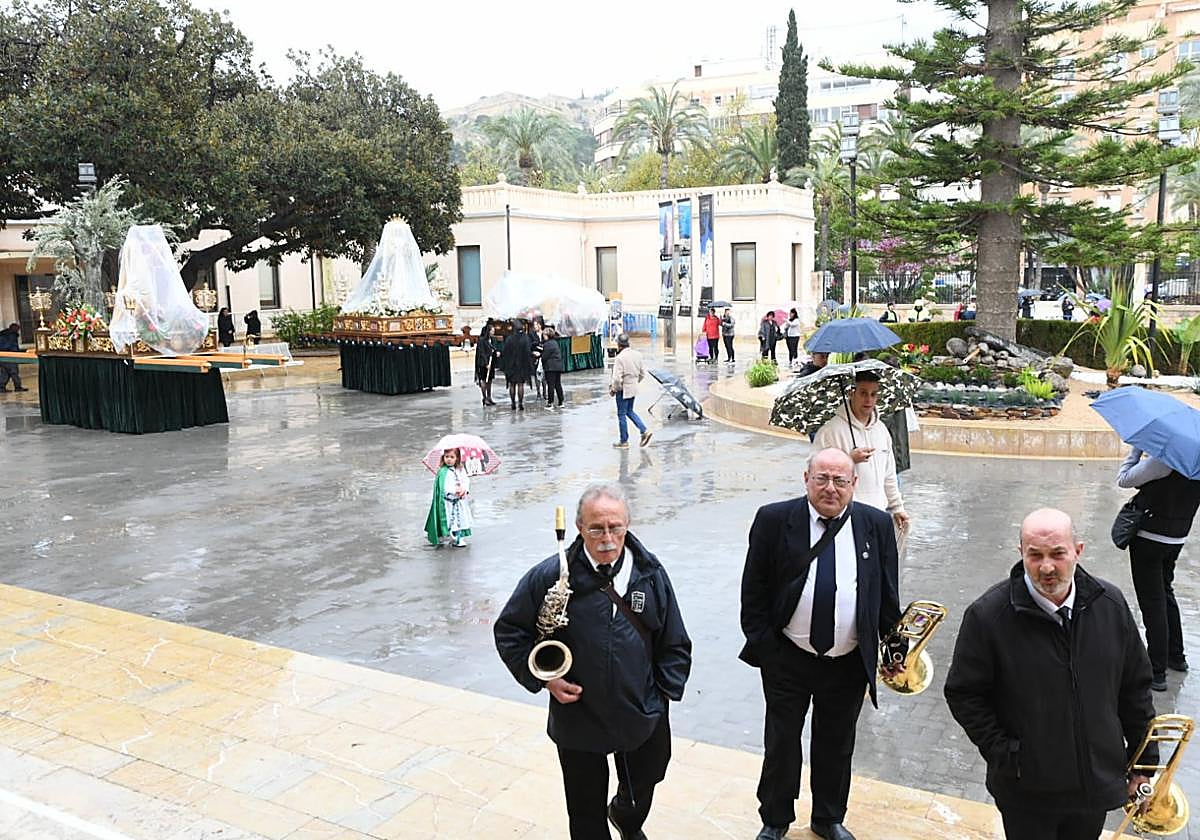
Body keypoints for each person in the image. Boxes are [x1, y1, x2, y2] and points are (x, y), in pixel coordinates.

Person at [944, 508, 1158, 840]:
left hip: (1094, 786)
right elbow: (964, 693)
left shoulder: (1111, 605)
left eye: (1058, 554)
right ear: (1021, 554)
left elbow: (1135, 690)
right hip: (1026, 792)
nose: (1046, 567)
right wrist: (1006, 754)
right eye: (1035, 555)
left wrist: (1143, 766)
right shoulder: (987, 616)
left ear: (1078, 550)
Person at [494, 483, 692, 840]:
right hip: (578, 715)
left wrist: (662, 694)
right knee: (584, 810)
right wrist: (544, 679)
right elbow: (509, 630)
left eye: (615, 527)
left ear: (628, 524)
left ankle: (627, 821)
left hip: (640, 708)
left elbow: (674, 639)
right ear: (579, 527)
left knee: (644, 783)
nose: (606, 538)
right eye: (596, 528)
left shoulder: (649, 573)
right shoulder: (549, 576)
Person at [740, 448, 903, 840]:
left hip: (847, 661)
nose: (830, 488)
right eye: (822, 479)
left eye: (840, 481)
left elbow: (886, 597)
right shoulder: (774, 520)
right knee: (781, 742)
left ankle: (828, 817)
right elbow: (754, 593)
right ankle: (775, 819)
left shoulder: (876, 525)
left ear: (854, 484)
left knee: (836, 742)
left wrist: (893, 651)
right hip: (788, 657)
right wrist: (767, 650)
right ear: (806, 479)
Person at [1117, 448, 1200, 690]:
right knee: (1165, 591)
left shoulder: (1166, 460)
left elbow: (1124, 479)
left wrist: (1135, 451)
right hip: (1176, 537)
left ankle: (1157, 671)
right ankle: (1177, 656)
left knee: (1152, 602)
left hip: (1149, 537)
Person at [813, 370, 911, 538]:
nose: (869, 400)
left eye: (873, 394)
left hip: (878, 517)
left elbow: (889, 476)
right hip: (843, 519)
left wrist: (897, 507)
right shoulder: (830, 431)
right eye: (863, 393)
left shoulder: (882, 431)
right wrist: (848, 459)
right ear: (852, 393)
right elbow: (815, 475)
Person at [423, 448, 473, 548]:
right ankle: (451, 536)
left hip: (459, 501)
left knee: (460, 519)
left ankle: (459, 537)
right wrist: (455, 490)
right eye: (447, 457)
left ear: (457, 458)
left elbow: (465, 480)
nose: (449, 459)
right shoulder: (442, 471)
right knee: (450, 520)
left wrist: (464, 489)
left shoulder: (460, 470)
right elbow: (443, 487)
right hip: (448, 502)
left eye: (452, 457)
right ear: (443, 457)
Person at [610, 333, 651, 449]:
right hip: (633, 387)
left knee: (621, 414)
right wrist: (634, 382)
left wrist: (614, 389)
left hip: (623, 389)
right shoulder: (637, 355)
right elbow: (643, 373)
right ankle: (644, 430)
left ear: (619, 345)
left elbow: (617, 378)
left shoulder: (619, 358)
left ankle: (624, 441)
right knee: (629, 411)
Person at [499, 319, 534, 410]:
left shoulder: (509, 339)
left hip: (511, 366)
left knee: (512, 384)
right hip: (522, 365)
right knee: (520, 385)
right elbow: (528, 352)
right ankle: (521, 403)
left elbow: (505, 352)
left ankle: (513, 403)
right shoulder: (525, 338)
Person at [474, 319, 501, 406]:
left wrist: (496, 352)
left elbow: (493, 348)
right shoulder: (482, 340)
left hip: (491, 362)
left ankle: (489, 397)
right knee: (483, 380)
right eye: (492, 331)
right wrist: (486, 364)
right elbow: (481, 352)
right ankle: (484, 397)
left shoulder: (492, 340)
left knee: (489, 380)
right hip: (484, 363)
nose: (493, 332)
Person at [542, 325, 565, 408]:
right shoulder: (555, 343)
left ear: (547, 335)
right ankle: (561, 401)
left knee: (551, 385)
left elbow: (544, 357)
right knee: (558, 384)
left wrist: (539, 355)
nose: (543, 336)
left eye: (544, 335)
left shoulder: (547, 344)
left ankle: (550, 403)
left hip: (550, 367)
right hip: (558, 366)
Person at [0, 323, 27, 392]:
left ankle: (1, 387)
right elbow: (10, 346)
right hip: (11, 356)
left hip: (3, 356)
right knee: (14, 372)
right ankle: (17, 387)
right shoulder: (12, 336)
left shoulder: (3, 334)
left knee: (5, 372)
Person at [529, 320, 546, 403]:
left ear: (539, 325)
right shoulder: (531, 334)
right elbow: (529, 345)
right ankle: (538, 392)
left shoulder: (545, 333)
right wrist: (533, 352)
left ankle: (545, 392)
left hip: (544, 356)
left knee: (544, 375)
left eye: (535, 325)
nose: (534, 326)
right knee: (537, 374)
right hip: (535, 357)